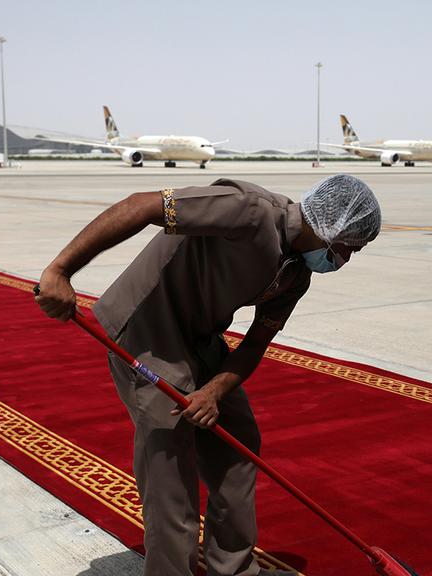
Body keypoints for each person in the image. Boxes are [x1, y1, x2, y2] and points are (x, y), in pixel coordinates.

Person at [35, 175, 381, 575]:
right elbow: (141, 205)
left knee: (239, 444)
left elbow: (254, 344)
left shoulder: (295, 276)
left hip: (201, 340)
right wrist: (61, 270)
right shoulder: (248, 210)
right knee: (171, 468)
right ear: (331, 229)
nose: (346, 260)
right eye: (349, 248)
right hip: (148, 333)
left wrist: (214, 391)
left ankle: (231, 568)